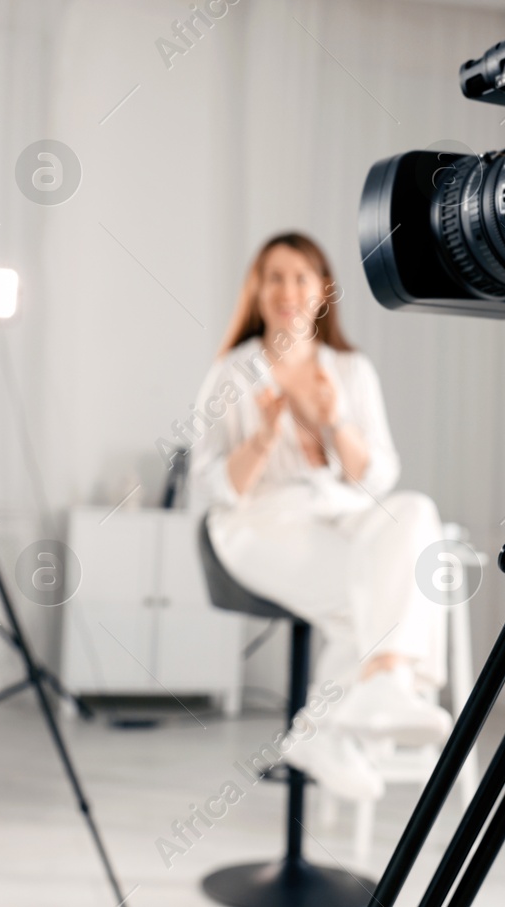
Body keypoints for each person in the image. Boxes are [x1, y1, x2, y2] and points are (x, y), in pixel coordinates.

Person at [189, 232, 450, 802]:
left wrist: (337, 423)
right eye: (274, 277)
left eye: (301, 277)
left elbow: (378, 478)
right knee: (372, 597)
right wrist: (261, 439)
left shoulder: (350, 372)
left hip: (339, 510)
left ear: (322, 290)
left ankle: (348, 709)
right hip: (256, 521)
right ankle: (350, 709)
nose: (287, 290)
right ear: (257, 292)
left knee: (414, 512)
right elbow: (211, 484)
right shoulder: (232, 374)